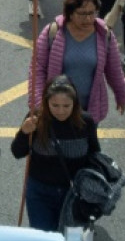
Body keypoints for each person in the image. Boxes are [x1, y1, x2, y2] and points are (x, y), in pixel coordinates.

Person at [12, 76, 101, 232]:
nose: (61, 111)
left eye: (66, 106)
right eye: (55, 105)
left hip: (73, 195)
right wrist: (24, 133)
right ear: (46, 103)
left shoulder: (86, 122)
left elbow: (94, 156)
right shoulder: (35, 119)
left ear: (75, 103)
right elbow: (17, 152)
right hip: (40, 192)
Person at [32, 0, 125, 123]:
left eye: (92, 13)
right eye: (82, 14)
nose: (89, 19)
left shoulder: (104, 35)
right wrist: (38, 103)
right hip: (57, 110)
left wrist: (122, 96)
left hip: (89, 110)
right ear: (70, 13)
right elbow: (37, 70)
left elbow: (114, 70)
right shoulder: (52, 32)